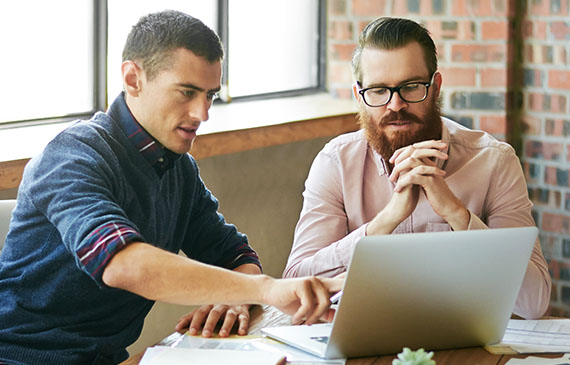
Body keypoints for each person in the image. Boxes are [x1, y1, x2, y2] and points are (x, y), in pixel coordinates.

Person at [0, 11, 342, 365]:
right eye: (187, 92)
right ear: (133, 79)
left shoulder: (178, 169)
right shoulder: (73, 154)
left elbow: (236, 255)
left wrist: (236, 295)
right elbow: (122, 263)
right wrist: (267, 290)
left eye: (210, 95)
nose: (202, 113)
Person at [283, 17, 551, 320]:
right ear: (359, 96)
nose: (395, 104)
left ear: (435, 87)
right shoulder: (336, 163)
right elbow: (295, 287)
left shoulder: (494, 161)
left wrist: (457, 214)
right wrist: (386, 221)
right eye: (378, 90)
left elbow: (533, 303)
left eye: (411, 87)